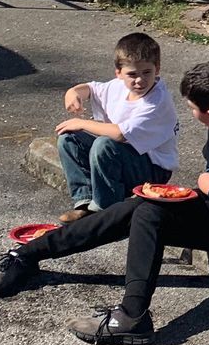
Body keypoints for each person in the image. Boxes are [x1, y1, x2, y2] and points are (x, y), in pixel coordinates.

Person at [0, 60, 209, 345]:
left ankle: (132, 317)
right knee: (141, 204)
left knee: (149, 215)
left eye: (192, 107)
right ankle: (26, 255)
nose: (190, 113)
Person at [54, 32, 179, 223]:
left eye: (147, 72)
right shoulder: (118, 87)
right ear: (119, 73)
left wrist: (82, 122)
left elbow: (120, 134)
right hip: (125, 157)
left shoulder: (157, 102)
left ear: (157, 69)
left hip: (153, 169)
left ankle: (107, 211)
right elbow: (91, 89)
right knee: (69, 138)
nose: (140, 80)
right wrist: (73, 92)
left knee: (104, 144)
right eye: (132, 74)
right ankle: (85, 201)